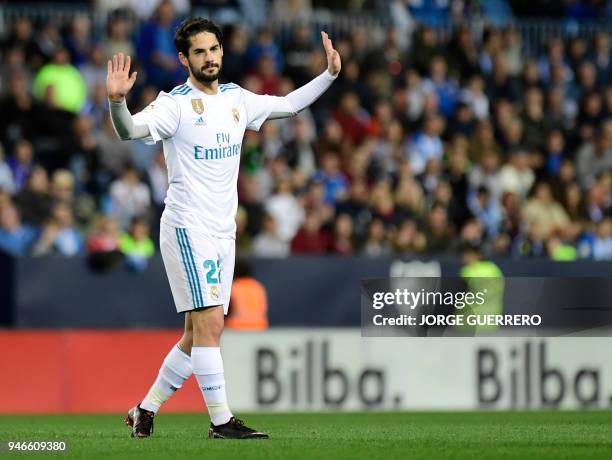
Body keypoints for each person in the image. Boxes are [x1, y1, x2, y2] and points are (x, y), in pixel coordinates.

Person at [107, 18, 340, 439]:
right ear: (184, 59)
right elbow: (129, 131)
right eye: (199, 51)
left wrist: (329, 75)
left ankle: (144, 410)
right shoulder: (174, 104)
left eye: (214, 49)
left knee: (196, 335)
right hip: (186, 227)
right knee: (212, 323)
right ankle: (221, 421)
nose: (209, 57)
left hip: (221, 231)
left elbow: (288, 105)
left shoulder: (236, 98)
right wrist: (117, 103)